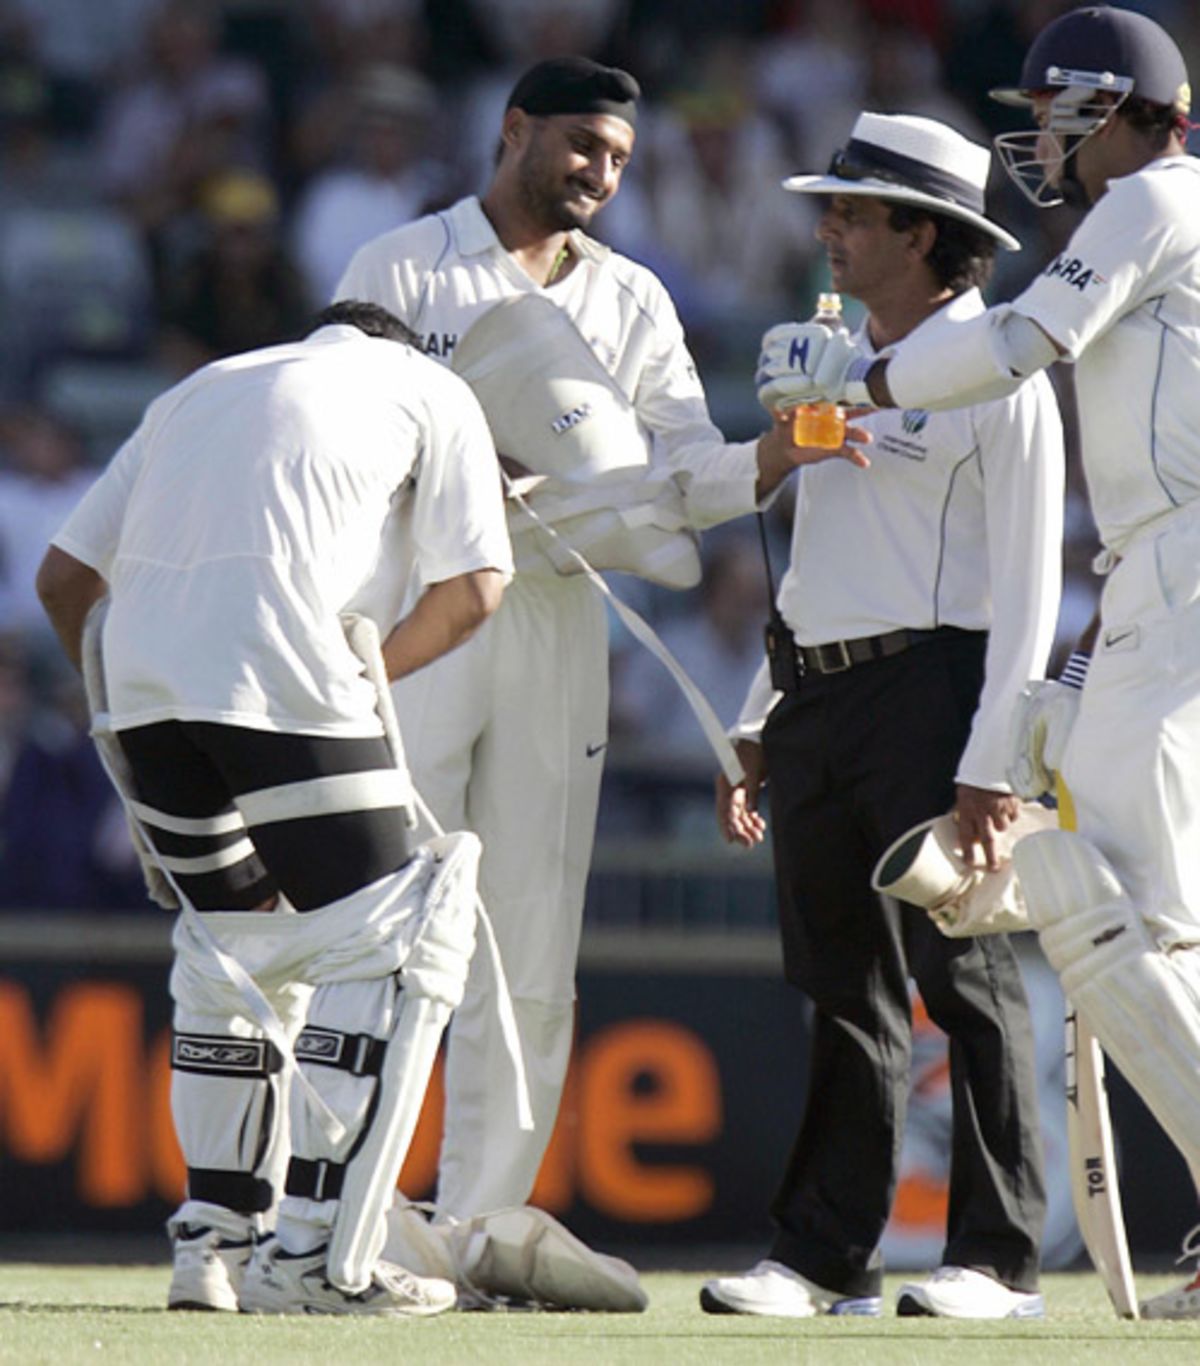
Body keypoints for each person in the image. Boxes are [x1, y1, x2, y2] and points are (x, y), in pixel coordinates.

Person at [333, 55, 861, 1296]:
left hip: (557, 613)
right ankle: (330, 1205)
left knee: (527, 931)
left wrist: (771, 460)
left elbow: (677, 467)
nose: (599, 174)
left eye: (619, 159)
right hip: (416, 601)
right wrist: (465, 474)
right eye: (578, 146)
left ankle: (476, 1225)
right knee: (376, 910)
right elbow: (338, 426)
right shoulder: (404, 266)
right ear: (513, 130)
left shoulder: (631, 298)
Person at [754, 7, 1200, 1321]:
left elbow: (1018, 344)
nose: (1045, 136)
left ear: (1120, 107)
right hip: (1151, 571)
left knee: (1096, 894)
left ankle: (999, 1253)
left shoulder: (1153, 195)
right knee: (1152, 912)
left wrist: (869, 382)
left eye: (1061, 109)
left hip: (1174, 557)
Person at [35, 299, 514, 1316]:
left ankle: (210, 1245)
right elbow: (476, 584)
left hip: (146, 693)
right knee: (396, 943)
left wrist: (129, 701)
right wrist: (363, 672)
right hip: (287, 671)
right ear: (396, 343)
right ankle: (313, 1256)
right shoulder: (430, 385)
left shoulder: (197, 389)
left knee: (226, 954)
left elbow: (64, 577)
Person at [701, 110, 1063, 1320]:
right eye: (834, 207)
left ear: (927, 234)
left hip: (939, 688)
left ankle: (997, 1259)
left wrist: (995, 755)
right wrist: (762, 715)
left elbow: (1031, 584)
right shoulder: (829, 354)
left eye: (855, 211)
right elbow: (820, 561)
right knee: (841, 984)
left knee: (965, 978)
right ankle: (820, 1254)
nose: (830, 229)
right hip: (821, 690)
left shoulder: (1002, 368)